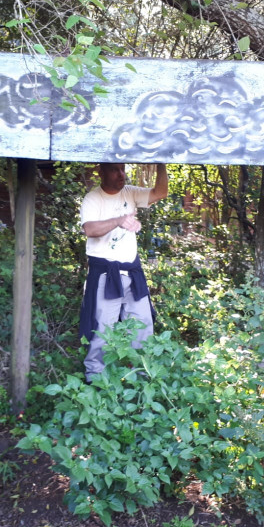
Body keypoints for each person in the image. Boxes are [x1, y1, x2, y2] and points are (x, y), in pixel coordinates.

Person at [79, 162, 168, 380]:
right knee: (102, 330)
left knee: (143, 327)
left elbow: (161, 192)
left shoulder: (130, 192)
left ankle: (142, 378)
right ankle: (96, 381)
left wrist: (161, 163)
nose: (121, 174)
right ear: (101, 172)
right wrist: (119, 221)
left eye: (122, 169)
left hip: (132, 272)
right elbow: (90, 229)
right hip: (105, 274)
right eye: (114, 170)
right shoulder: (93, 198)